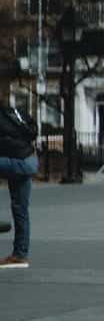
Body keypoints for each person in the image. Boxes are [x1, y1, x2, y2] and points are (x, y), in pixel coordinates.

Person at [0, 104, 39, 269]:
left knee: (20, 208)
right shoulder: (11, 112)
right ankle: (20, 256)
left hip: (18, 161)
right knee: (20, 209)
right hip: (30, 159)